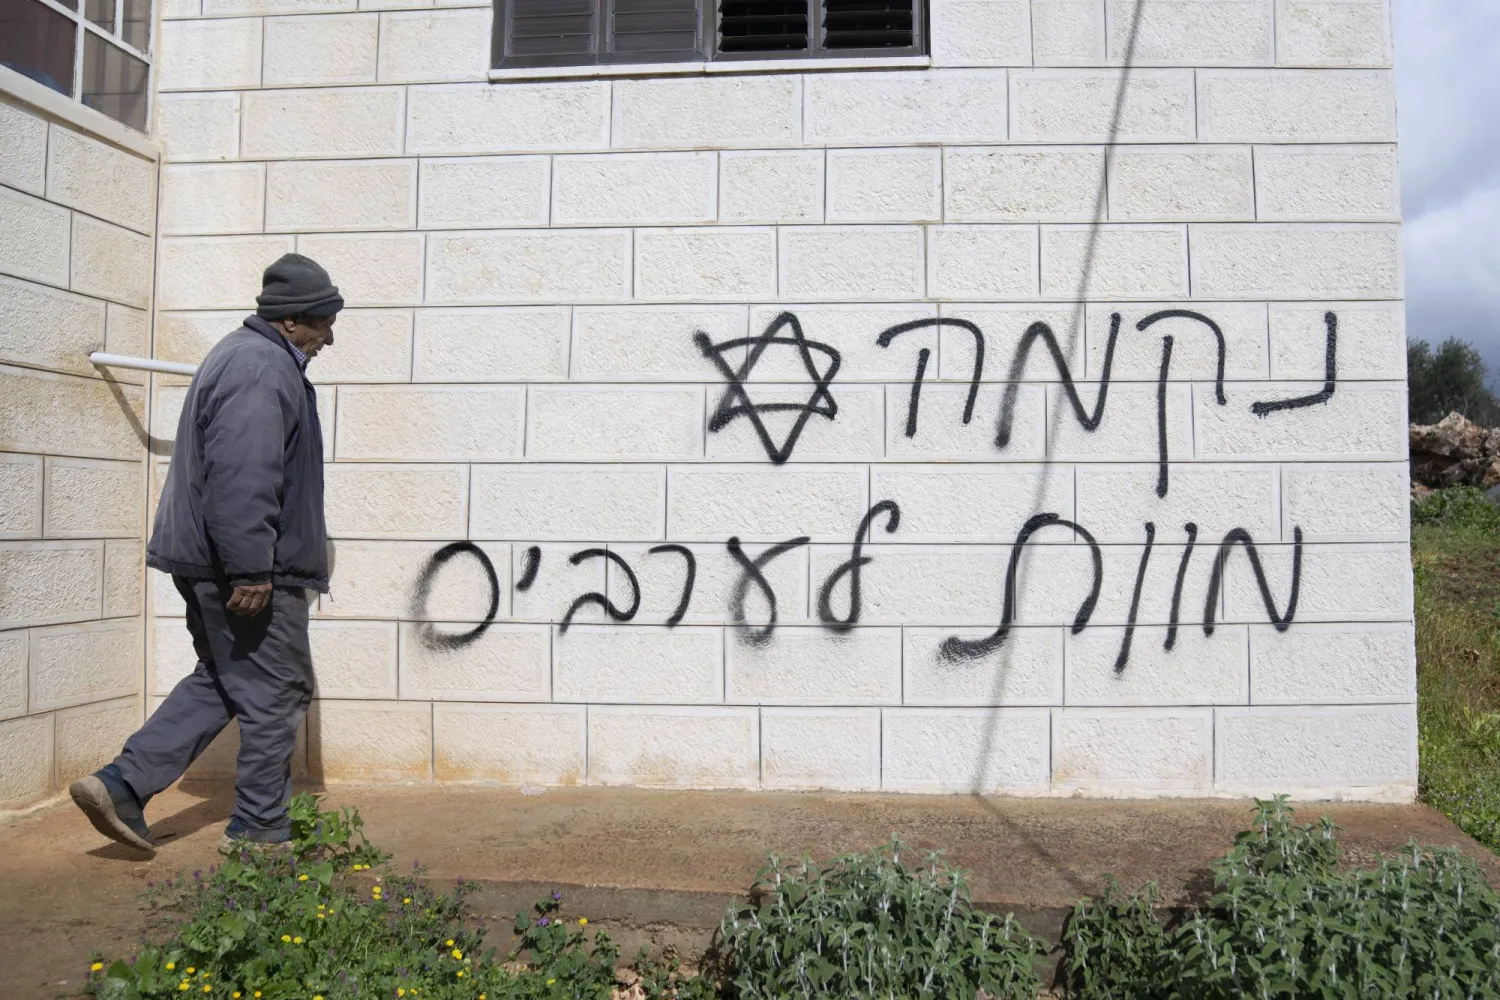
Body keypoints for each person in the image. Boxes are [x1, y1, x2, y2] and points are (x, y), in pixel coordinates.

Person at [69, 253, 341, 855]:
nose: (328, 336)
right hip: (241, 569)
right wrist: (251, 567)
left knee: (225, 676)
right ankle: (258, 832)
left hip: (210, 560)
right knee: (279, 689)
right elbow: (243, 475)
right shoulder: (260, 367)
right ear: (292, 320)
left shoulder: (248, 358)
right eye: (322, 322)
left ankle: (121, 786)